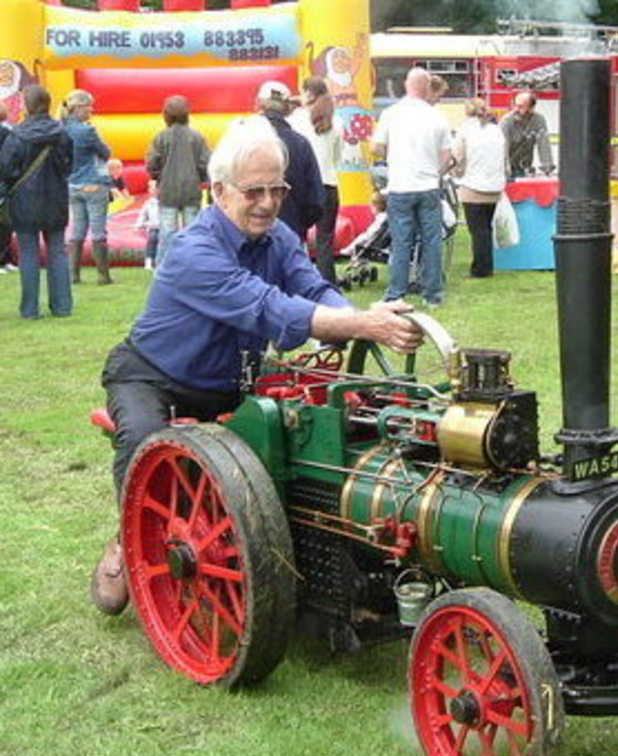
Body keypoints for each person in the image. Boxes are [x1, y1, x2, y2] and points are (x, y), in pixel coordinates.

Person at [90, 119, 423, 615]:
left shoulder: (281, 238)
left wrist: (360, 318)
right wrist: (365, 327)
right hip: (153, 377)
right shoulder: (193, 251)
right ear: (220, 191)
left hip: (230, 385)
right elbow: (269, 307)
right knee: (144, 448)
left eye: (277, 189)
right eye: (255, 191)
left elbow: (312, 290)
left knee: (296, 445)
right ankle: (131, 538)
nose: (268, 202)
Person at [371, 67, 451, 308]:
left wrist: (391, 156)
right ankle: (433, 294)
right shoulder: (438, 117)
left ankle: (396, 293)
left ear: (407, 85)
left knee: (401, 241)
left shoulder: (391, 114)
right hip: (428, 186)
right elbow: (446, 156)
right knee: (432, 241)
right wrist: (433, 172)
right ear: (427, 88)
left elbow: (376, 148)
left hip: (400, 185)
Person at [0, 84, 73, 319]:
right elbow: (68, 165)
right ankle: (62, 307)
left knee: (29, 253)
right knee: (57, 251)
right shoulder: (62, 133)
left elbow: (6, 169)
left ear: (27, 105)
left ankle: (30, 309)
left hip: (24, 201)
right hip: (56, 198)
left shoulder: (17, 135)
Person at [255, 80, 324, 243]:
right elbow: (316, 200)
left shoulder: (241, 138)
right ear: (287, 108)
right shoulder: (301, 144)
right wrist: (300, 226)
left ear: (259, 103)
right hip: (291, 234)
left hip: (249, 237)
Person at [146, 95, 210, 268]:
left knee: (167, 233)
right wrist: (202, 179)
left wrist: (157, 177)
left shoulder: (161, 137)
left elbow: (152, 163)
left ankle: (164, 268)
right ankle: (195, 266)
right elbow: (205, 163)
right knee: (193, 232)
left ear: (166, 114)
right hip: (191, 191)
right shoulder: (197, 137)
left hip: (168, 191)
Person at [289, 76, 342, 283]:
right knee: (325, 239)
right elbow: (338, 156)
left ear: (308, 94)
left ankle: (297, 278)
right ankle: (327, 281)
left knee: (297, 234)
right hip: (329, 184)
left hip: (304, 184)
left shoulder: (297, 119)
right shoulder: (335, 121)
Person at [451, 98, 508, 279]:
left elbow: (457, 157)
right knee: (486, 228)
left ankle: (480, 269)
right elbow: (505, 157)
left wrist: (455, 173)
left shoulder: (466, 130)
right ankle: (487, 265)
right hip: (494, 186)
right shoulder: (497, 131)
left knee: (477, 230)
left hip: (473, 186)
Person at [62, 89, 114, 285]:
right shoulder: (87, 130)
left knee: (77, 231)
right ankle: (103, 275)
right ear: (79, 108)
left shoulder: (62, 129)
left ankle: (73, 274)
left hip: (73, 184)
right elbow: (105, 152)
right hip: (93, 182)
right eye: (89, 106)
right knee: (98, 231)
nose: (91, 109)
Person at [500, 91, 554, 179]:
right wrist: (505, 170)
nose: (516, 109)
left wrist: (547, 168)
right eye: (515, 105)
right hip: (506, 167)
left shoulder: (538, 120)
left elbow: (544, 144)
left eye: (521, 106)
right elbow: (503, 147)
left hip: (525, 167)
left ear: (531, 108)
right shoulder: (506, 121)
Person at [0, 98, 16, 274]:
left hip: (4, 181)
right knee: (6, 223)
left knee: (6, 223)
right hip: (5, 182)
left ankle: (6, 258)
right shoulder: (8, 131)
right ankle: (5, 259)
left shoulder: (7, 131)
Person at [135, 179, 159, 271]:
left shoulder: (166, 203)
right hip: (153, 227)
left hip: (163, 228)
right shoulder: (149, 203)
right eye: (152, 189)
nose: (154, 191)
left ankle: (160, 261)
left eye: (155, 188)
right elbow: (142, 215)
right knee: (152, 238)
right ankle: (148, 261)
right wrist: (139, 225)